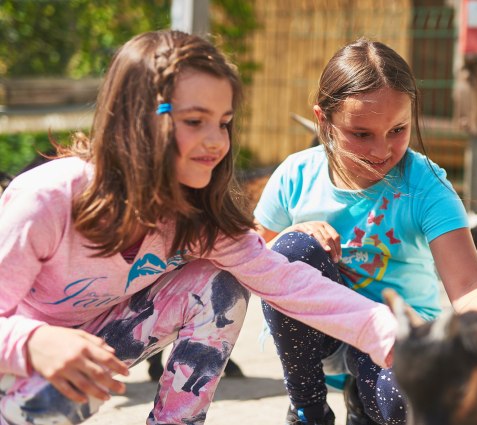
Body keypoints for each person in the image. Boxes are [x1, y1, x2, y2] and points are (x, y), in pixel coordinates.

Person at [0, 30, 397, 425]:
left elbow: (285, 281)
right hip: (21, 358)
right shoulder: (47, 199)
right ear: (135, 120)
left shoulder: (197, 215)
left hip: (98, 346)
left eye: (223, 122)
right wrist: (35, 342)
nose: (216, 141)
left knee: (220, 281)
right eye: (194, 121)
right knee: (37, 404)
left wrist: (387, 331)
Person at [254, 38, 477, 425]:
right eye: (361, 134)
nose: (381, 150)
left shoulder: (426, 185)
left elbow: (471, 284)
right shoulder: (295, 174)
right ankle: (307, 409)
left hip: (398, 340)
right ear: (323, 121)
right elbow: (250, 258)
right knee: (292, 249)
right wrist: (293, 232)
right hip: (320, 334)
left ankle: (366, 405)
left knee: (405, 399)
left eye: (398, 129)